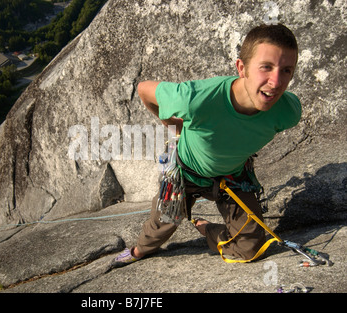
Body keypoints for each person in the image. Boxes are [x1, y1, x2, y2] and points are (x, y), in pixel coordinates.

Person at [114, 23, 301, 265]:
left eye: (286, 70)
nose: (276, 82)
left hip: (233, 176)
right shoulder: (195, 99)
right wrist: (175, 128)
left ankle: (206, 230)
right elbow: (144, 89)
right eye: (266, 67)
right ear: (241, 68)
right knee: (160, 228)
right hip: (185, 174)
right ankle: (137, 251)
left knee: (250, 247)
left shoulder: (287, 112)